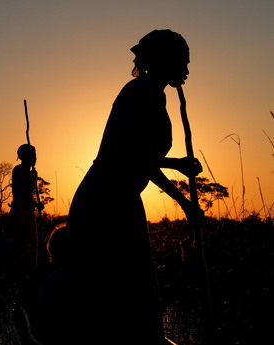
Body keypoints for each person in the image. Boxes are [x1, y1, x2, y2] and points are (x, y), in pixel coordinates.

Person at [63, 29, 204, 344]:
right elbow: (133, 158)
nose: (187, 70)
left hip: (119, 198)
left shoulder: (149, 91)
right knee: (122, 292)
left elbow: (140, 156)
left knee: (128, 292)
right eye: (182, 62)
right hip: (106, 202)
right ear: (164, 60)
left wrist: (176, 166)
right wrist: (185, 203)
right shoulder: (144, 92)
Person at [9, 143, 44, 279]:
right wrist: (33, 178)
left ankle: (27, 275)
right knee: (25, 247)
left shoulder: (26, 172)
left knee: (29, 247)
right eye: (33, 155)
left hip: (26, 211)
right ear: (25, 157)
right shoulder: (19, 170)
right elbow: (22, 193)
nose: (35, 158)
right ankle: (24, 277)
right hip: (21, 212)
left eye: (35, 155)